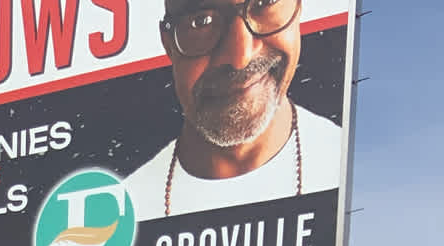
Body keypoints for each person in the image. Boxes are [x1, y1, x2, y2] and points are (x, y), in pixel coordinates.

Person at [126, 0, 342, 221]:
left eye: (263, 2)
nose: (241, 57)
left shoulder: (346, 170)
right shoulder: (119, 222)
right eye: (202, 21)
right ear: (168, 43)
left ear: (299, 6)